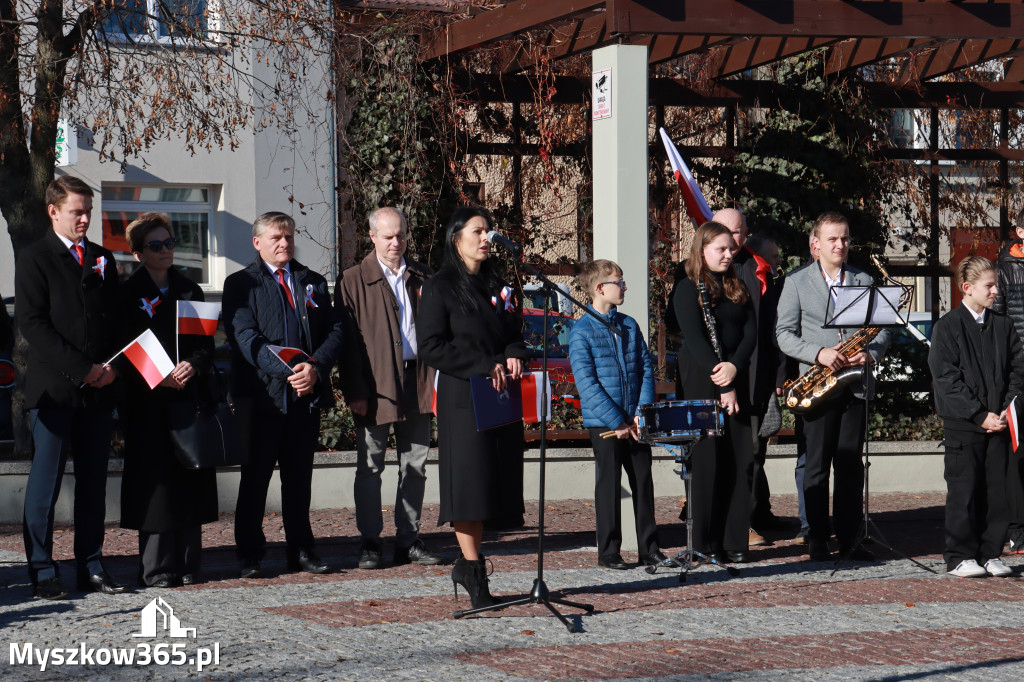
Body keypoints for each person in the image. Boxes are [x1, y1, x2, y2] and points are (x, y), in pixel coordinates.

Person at [16, 176, 126, 599]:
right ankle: (43, 570)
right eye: (77, 211)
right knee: (45, 484)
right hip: (55, 390)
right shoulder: (35, 257)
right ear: (53, 211)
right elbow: (33, 324)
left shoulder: (102, 258)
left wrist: (112, 367)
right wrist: (83, 369)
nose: (85, 219)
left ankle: (91, 566)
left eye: (88, 212)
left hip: (98, 390)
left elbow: (114, 319)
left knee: (93, 483)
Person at [416, 206, 529, 609]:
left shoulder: (498, 284)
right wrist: (483, 364)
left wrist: (514, 352)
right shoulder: (440, 286)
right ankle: (472, 569)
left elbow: (514, 334)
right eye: (478, 231)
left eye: (489, 231)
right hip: (464, 395)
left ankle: (469, 567)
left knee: (495, 482)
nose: (486, 238)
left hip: (500, 395)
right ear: (456, 237)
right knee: (470, 485)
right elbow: (430, 346)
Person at [223, 211, 344, 578]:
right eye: (276, 237)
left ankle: (302, 550)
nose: (284, 243)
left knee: (299, 480)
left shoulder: (313, 282)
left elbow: (335, 330)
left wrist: (315, 368)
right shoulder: (241, 284)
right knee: (255, 480)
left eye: (288, 236)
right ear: (257, 242)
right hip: (263, 398)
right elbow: (245, 338)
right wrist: (290, 371)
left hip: (304, 397)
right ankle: (250, 553)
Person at [776, 211, 888, 562]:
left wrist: (870, 354)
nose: (841, 245)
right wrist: (819, 353)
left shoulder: (864, 279)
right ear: (816, 245)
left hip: (855, 384)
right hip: (818, 386)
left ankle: (850, 538)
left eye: (845, 238)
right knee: (817, 465)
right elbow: (783, 334)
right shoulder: (796, 282)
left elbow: (883, 326)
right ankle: (818, 537)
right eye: (833, 239)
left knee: (850, 465)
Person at [334, 207, 443, 570]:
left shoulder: (424, 275)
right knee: (370, 467)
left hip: (418, 381)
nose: (396, 242)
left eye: (401, 235)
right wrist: (356, 391)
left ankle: (408, 539)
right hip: (375, 385)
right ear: (372, 237)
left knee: (416, 465)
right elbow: (347, 344)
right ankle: (370, 541)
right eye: (388, 236)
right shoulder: (353, 280)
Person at [117, 213, 217, 587]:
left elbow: (205, 345)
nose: (165, 251)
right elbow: (123, 347)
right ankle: (157, 568)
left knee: (189, 480)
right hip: (147, 405)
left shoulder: (190, 290)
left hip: (187, 400)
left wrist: (193, 364)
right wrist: (158, 377)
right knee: (155, 485)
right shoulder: (127, 294)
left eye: (170, 243)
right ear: (139, 253)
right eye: (156, 245)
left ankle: (189, 565)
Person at [569, 259, 669, 570]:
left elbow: (645, 368)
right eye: (619, 282)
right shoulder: (581, 331)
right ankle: (609, 552)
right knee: (609, 485)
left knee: (643, 481)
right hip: (605, 424)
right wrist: (617, 421)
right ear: (600, 288)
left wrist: (640, 413)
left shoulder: (629, 325)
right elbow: (587, 384)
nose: (624, 287)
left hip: (635, 421)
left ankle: (649, 548)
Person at [929, 256, 1021, 578]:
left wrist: (1006, 410)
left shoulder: (1003, 326)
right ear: (967, 288)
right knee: (964, 491)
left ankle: (989, 552)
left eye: (996, 285)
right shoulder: (947, 327)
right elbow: (946, 379)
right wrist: (979, 414)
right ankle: (960, 556)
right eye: (989, 285)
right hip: (964, 425)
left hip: (999, 423)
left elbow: (1017, 372)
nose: (996, 291)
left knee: (996, 492)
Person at [672, 222, 757, 563]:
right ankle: (704, 542)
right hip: (703, 378)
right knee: (707, 460)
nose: (728, 254)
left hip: (734, 374)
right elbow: (695, 340)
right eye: (720, 249)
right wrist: (725, 382)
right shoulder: (687, 288)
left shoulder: (737, 285)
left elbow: (751, 332)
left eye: (730, 249)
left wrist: (735, 367)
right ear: (702, 250)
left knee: (739, 458)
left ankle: (733, 541)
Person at [714, 209, 788, 548]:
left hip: (755, 374)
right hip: (717, 375)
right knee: (725, 452)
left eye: (738, 231)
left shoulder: (758, 268)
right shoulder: (700, 269)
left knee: (753, 451)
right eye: (725, 231)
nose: (732, 239)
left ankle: (751, 517)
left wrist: (779, 373)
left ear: (745, 233)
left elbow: (773, 326)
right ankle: (733, 524)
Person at [992, 223, 1024, 555]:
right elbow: (997, 324)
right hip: (1018, 372)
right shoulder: (1002, 271)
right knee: (1018, 452)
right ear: (1020, 231)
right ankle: (1018, 530)